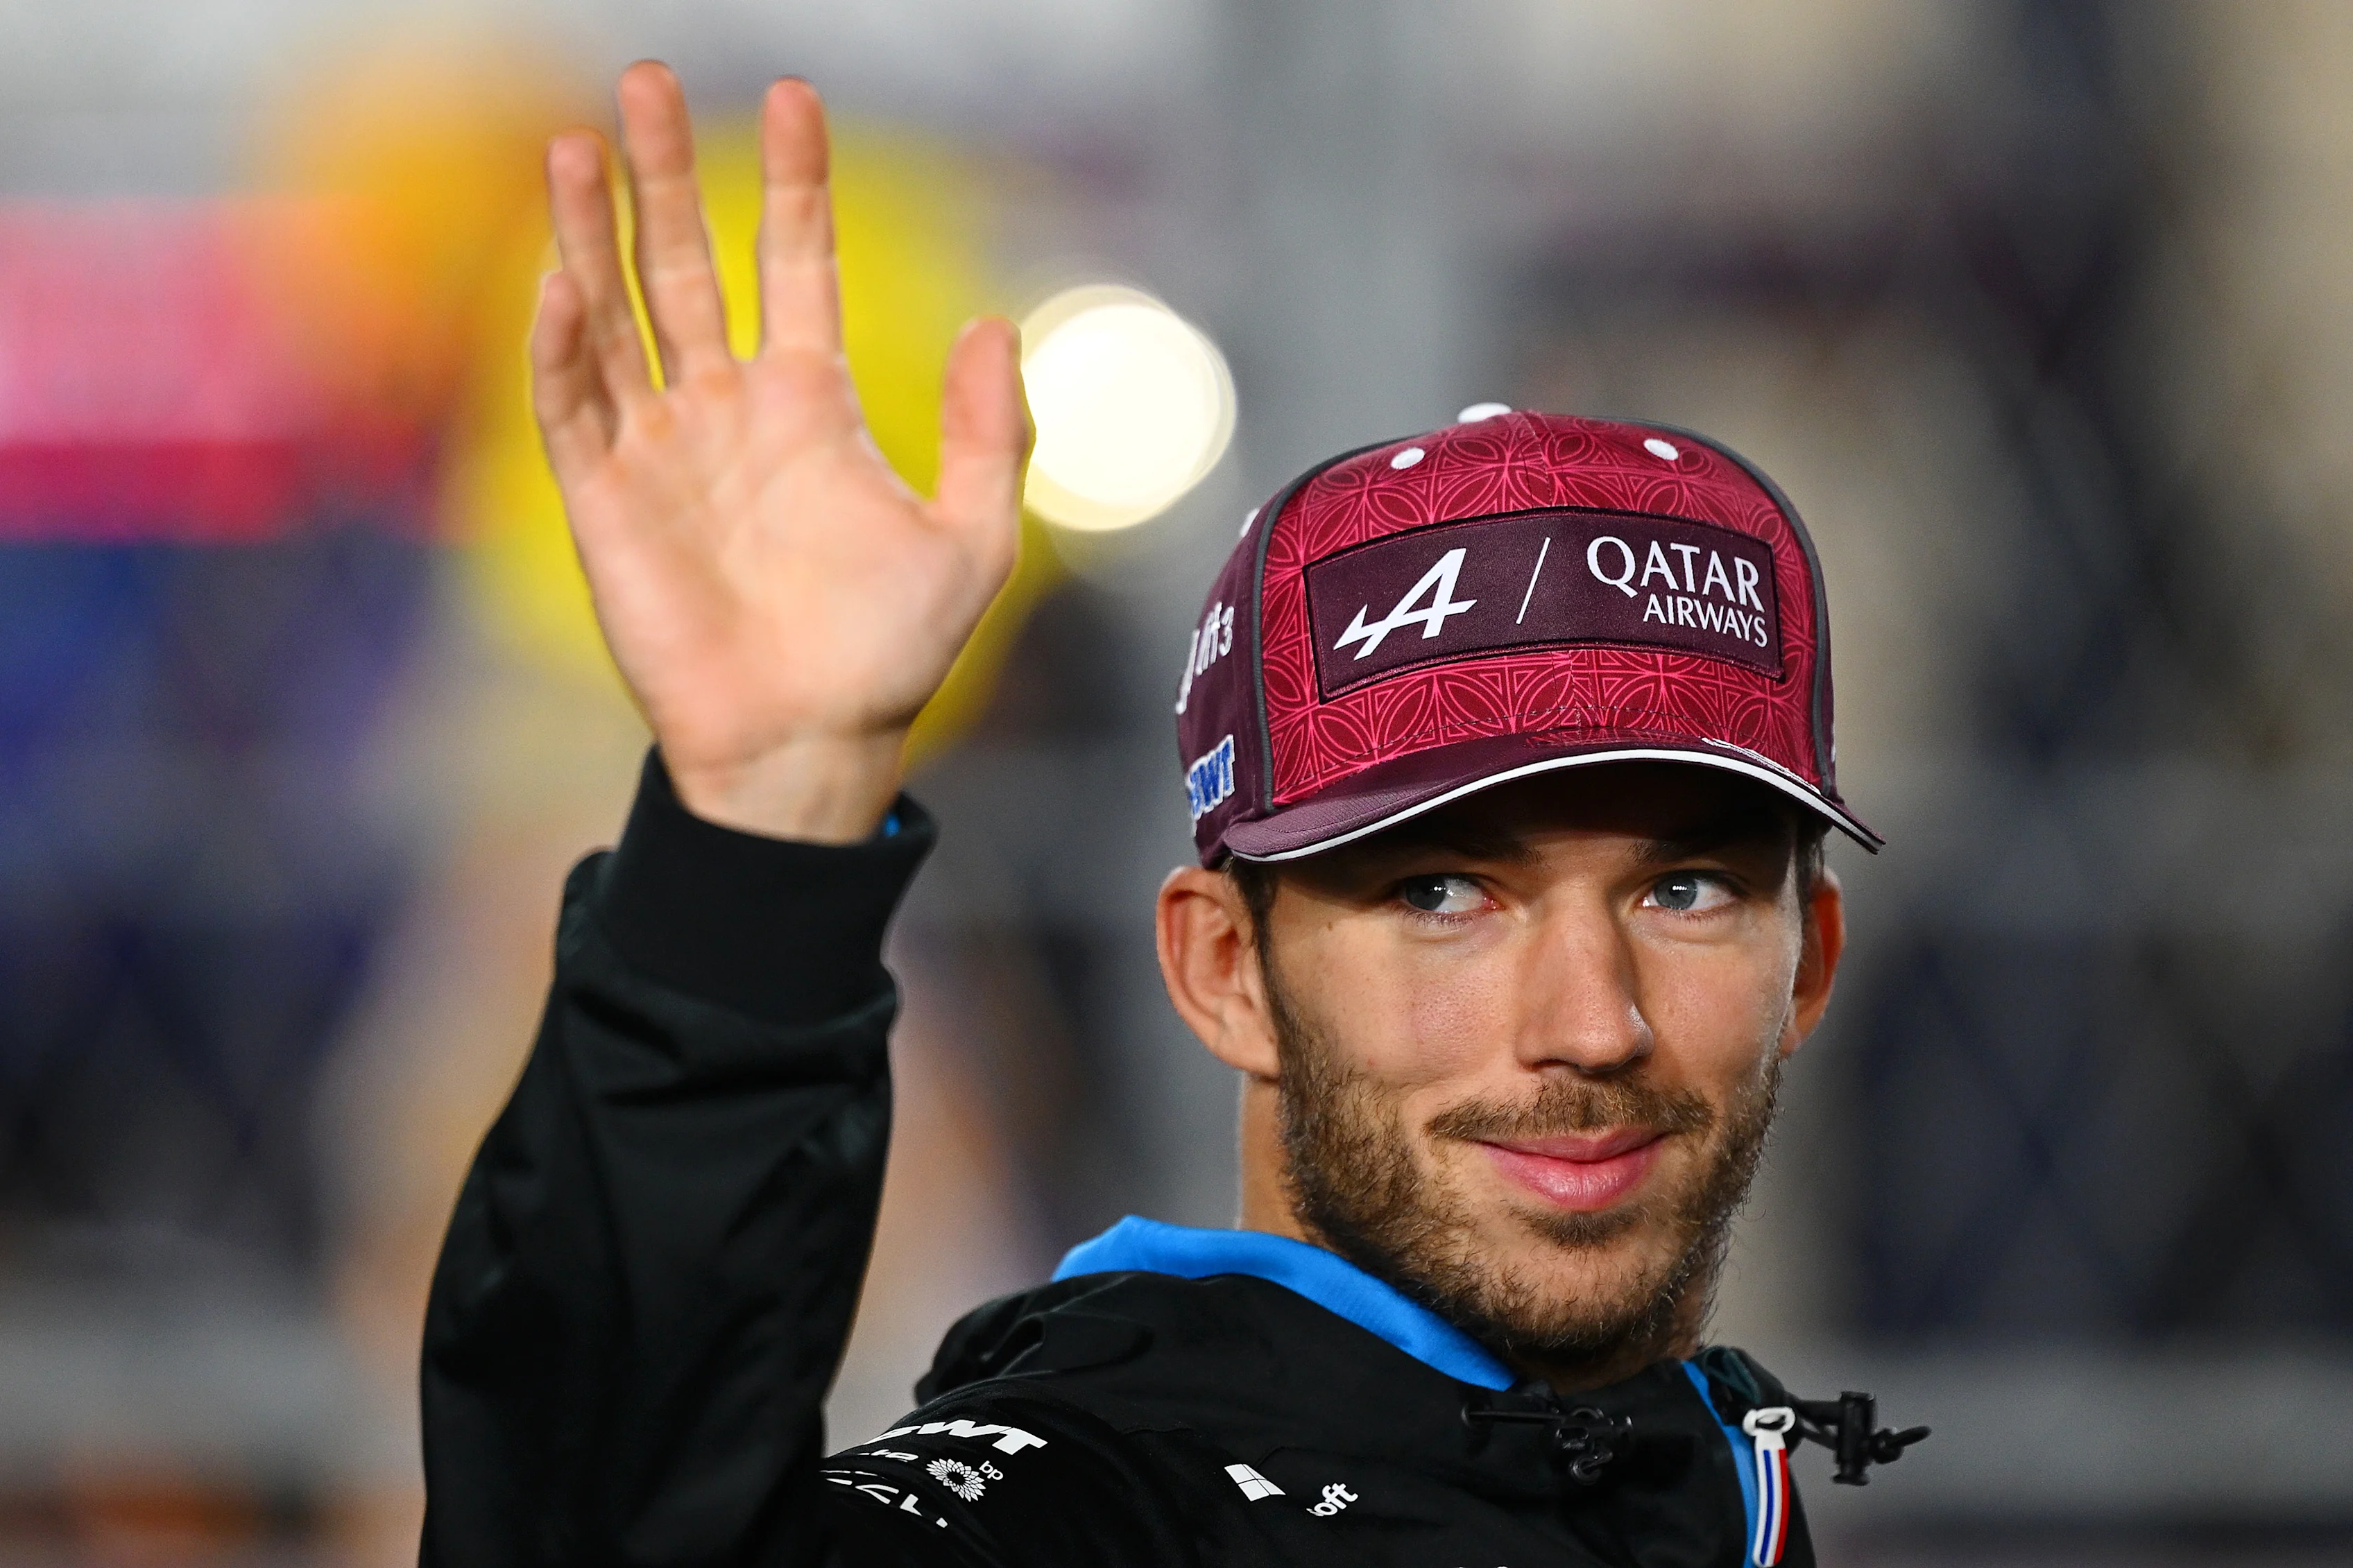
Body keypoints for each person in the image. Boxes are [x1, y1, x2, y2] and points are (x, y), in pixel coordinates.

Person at [418, 62, 1925, 1568]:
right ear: (1223, 970)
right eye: (1442, 893)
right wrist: (758, 832)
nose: (1592, 1023)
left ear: (1809, 960)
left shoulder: (1716, 1479)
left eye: (1683, 890)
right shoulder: (1092, 1506)